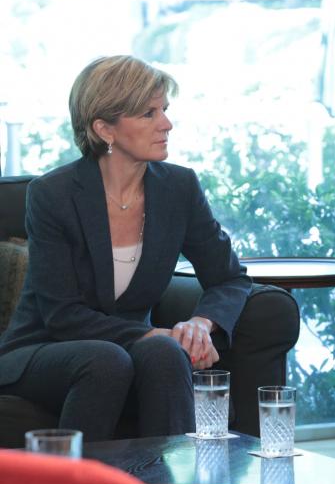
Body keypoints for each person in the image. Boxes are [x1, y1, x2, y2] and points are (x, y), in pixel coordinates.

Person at [0, 55, 251, 440]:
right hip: (44, 348)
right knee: (108, 360)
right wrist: (153, 334)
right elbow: (62, 314)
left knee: (168, 353)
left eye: (164, 110)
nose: (166, 123)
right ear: (105, 129)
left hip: (130, 347)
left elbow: (229, 278)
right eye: (149, 114)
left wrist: (200, 325)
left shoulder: (179, 188)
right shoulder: (53, 195)